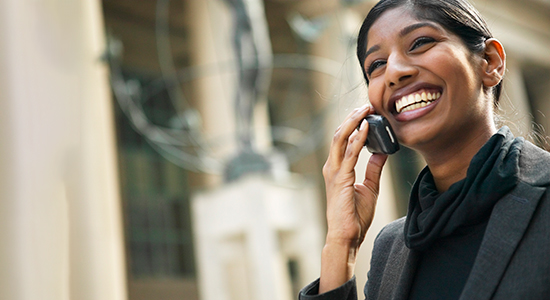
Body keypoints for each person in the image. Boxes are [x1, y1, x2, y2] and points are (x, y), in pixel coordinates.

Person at [299, 0, 550, 299]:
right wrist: (341, 243)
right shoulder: (390, 249)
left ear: (490, 61)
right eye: (376, 65)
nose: (394, 72)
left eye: (420, 43)